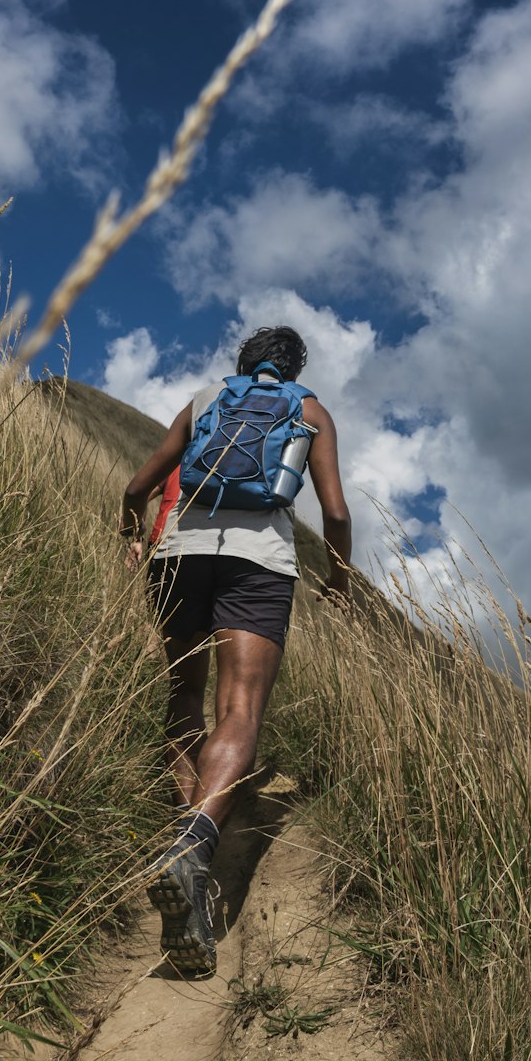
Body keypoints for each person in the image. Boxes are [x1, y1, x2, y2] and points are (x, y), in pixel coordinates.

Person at [119, 325, 352, 975]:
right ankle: (195, 846)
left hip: (180, 553)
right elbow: (334, 511)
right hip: (259, 562)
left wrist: (128, 520)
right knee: (240, 710)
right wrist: (338, 579)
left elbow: (141, 484)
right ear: (295, 367)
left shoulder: (204, 398)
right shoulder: (310, 410)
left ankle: (187, 849)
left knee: (184, 692)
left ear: (244, 363)